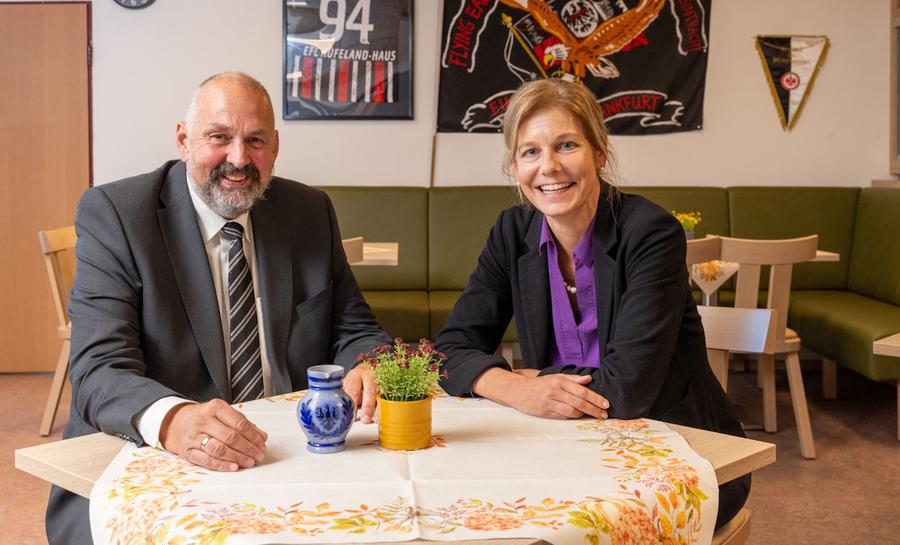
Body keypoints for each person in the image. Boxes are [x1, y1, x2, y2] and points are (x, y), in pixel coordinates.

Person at [45, 72, 391, 545]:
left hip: (288, 457)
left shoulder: (309, 210)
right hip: (158, 459)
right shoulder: (118, 214)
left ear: (275, 146)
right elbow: (99, 368)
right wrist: (173, 420)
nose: (239, 159)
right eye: (219, 137)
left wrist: (368, 363)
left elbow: (355, 327)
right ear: (183, 140)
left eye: (256, 141)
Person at [435, 78, 749, 529]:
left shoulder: (650, 232)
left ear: (599, 153)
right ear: (514, 167)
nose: (549, 166)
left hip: (679, 450)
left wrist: (535, 380)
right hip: (564, 442)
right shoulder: (511, 232)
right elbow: (449, 351)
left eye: (566, 145)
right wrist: (518, 388)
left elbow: (627, 391)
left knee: (556, 527)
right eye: (530, 152)